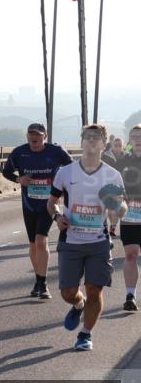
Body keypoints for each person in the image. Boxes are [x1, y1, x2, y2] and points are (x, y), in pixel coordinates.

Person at [47, 124, 129, 351]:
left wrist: (117, 206)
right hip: (71, 241)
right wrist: (57, 217)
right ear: (81, 142)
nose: (92, 141)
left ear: (104, 144)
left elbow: (122, 207)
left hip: (98, 242)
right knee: (67, 293)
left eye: (96, 138)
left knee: (95, 290)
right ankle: (78, 303)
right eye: (88, 137)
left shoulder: (112, 175)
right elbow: (51, 203)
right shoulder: (65, 173)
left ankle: (85, 334)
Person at [1, 123, 73, 299]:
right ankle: (38, 279)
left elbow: (73, 168)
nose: (34, 138)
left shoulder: (56, 151)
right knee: (33, 244)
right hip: (29, 205)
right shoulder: (19, 152)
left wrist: (61, 185)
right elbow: (6, 172)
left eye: (38, 135)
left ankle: (43, 283)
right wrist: (19, 179)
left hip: (49, 204)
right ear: (27, 136)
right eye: (31, 135)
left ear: (45, 136)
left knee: (41, 240)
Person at [113, 126, 141, 311]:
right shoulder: (122, 162)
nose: (138, 140)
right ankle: (130, 295)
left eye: (140, 136)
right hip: (130, 215)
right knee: (130, 253)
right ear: (129, 140)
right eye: (134, 137)